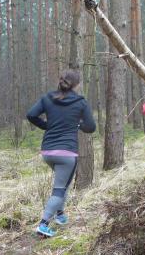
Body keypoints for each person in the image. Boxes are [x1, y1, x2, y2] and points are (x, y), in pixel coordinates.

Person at [26, 69, 96, 238]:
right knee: (59, 189)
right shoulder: (80, 102)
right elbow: (91, 127)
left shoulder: (47, 98)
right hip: (66, 153)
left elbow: (31, 115)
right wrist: (78, 125)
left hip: (47, 152)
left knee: (63, 184)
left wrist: (46, 126)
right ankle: (43, 224)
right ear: (76, 85)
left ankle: (60, 215)